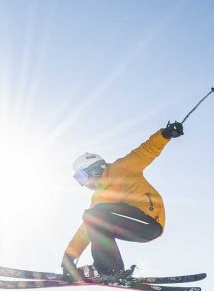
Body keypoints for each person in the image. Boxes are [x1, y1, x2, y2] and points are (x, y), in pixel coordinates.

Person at [62, 119, 185, 282]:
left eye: (82, 176)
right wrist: (69, 257)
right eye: (78, 179)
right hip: (134, 226)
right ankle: (110, 269)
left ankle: (106, 269)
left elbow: (145, 151)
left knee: (95, 214)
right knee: (93, 218)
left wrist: (165, 134)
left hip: (149, 220)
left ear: (95, 169)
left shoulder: (121, 168)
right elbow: (87, 229)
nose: (83, 184)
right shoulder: (99, 197)